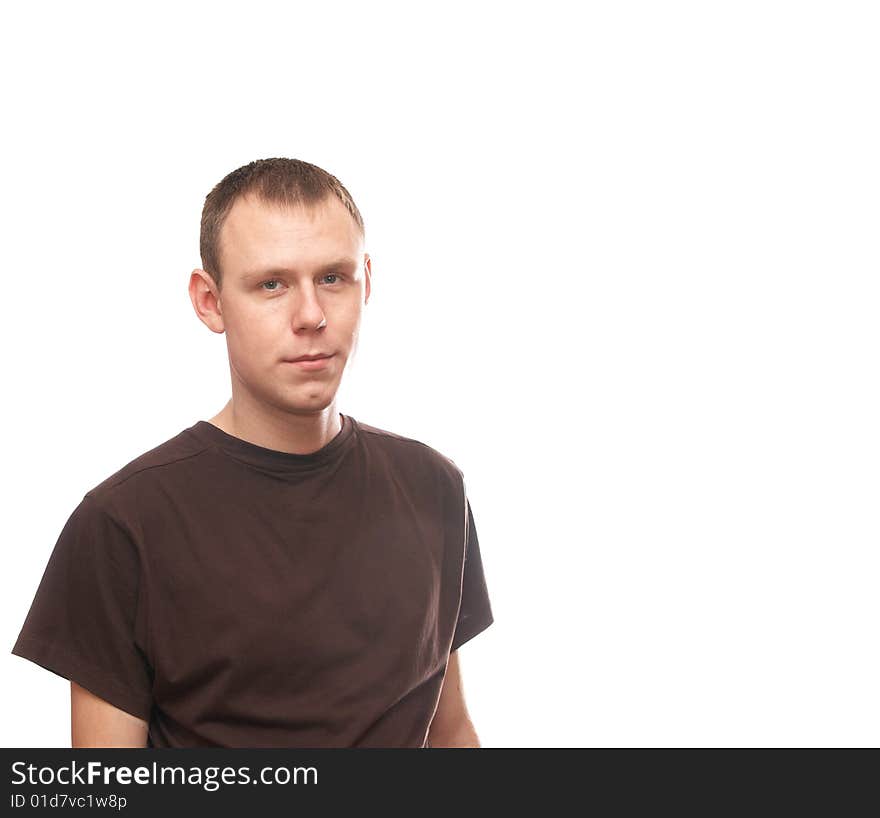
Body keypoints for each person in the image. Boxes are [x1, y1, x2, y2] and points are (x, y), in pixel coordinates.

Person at [10, 157, 494, 748]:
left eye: (334, 278)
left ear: (368, 279)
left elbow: (451, 735)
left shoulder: (434, 487)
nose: (311, 315)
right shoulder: (124, 523)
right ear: (209, 301)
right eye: (272, 284)